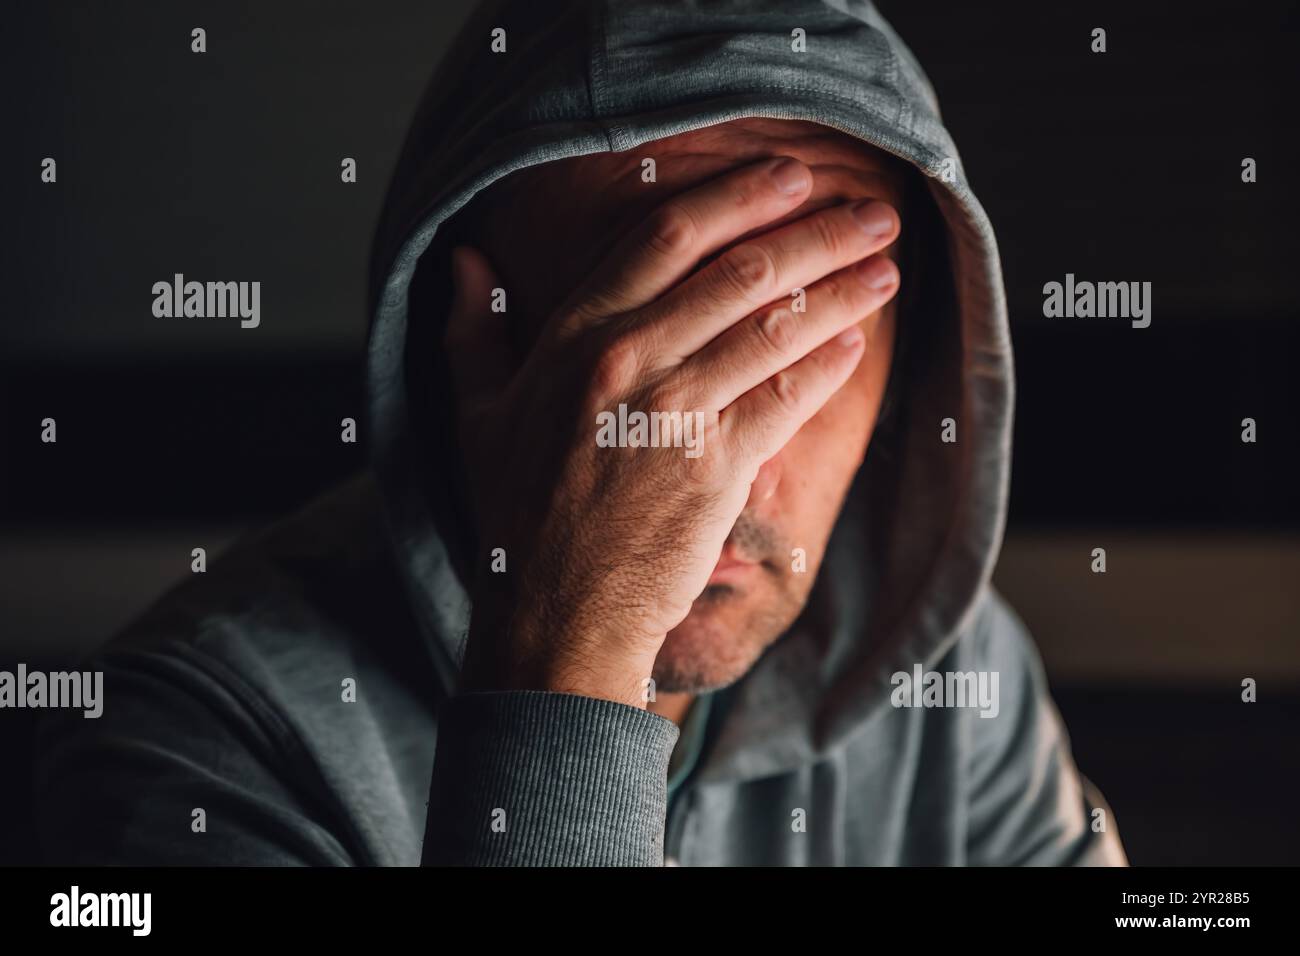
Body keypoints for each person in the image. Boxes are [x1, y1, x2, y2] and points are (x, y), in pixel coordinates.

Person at [34, 0, 1127, 866]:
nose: (722, 462)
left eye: (803, 356)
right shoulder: (188, 750)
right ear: (460, 338)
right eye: (656, 354)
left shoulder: (949, 686)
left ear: (904, 374)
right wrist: (567, 664)